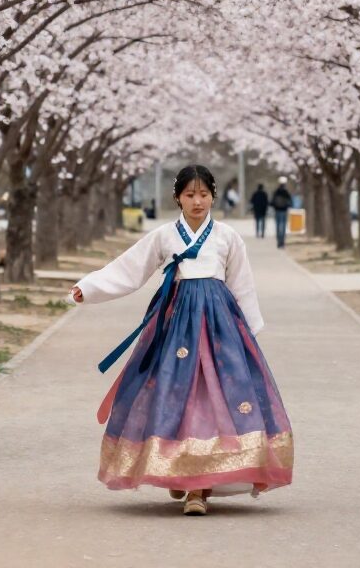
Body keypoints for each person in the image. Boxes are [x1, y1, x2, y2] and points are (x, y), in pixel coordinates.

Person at [69, 164, 293, 516]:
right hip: (173, 327)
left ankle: (197, 489)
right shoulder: (163, 236)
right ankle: (180, 474)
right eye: (190, 194)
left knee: (212, 400)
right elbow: (131, 268)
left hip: (219, 329)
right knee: (173, 395)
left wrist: (247, 335)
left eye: (204, 194)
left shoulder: (227, 237)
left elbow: (241, 284)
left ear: (213, 196)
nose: (197, 201)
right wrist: (89, 288)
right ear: (177, 197)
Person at [271, 177, 293, 249]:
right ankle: (282, 242)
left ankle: (278, 241)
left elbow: (272, 201)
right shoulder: (286, 192)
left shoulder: (276, 191)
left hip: (277, 211)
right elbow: (290, 201)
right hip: (284, 211)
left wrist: (275, 207)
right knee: (283, 227)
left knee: (277, 226)